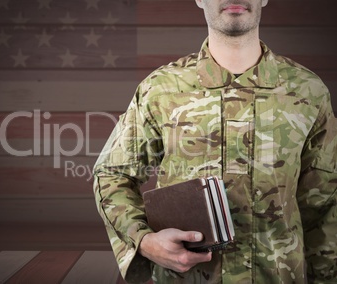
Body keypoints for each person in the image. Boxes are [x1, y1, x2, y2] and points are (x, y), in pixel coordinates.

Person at [93, 0, 337, 283]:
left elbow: (326, 202)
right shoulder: (160, 89)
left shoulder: (308, 91)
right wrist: (145, 241)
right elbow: (112, 174)